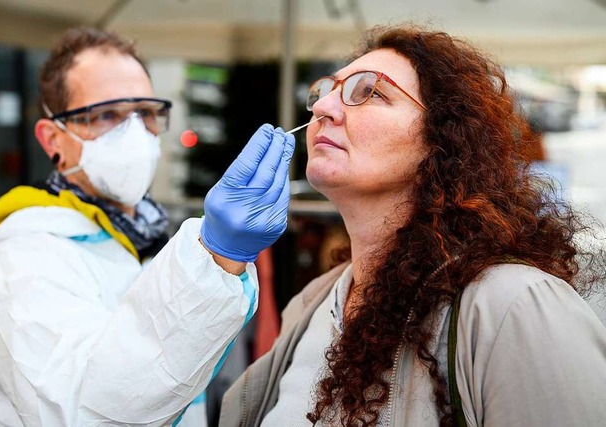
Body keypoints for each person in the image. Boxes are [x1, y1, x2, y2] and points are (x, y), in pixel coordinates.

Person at [218, 25, 606, 426]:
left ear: (443, 141)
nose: (322, 109)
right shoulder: (311, 303)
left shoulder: (513, 306)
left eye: (369, 91)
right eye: (326, 92)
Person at [0, 27, 295, 426]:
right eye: (106, 115)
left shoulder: (146, 233)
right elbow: (86, 412)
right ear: (52, 138)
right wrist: (216, 256)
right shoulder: (25, 259)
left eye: (146, 113)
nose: (135, 133)